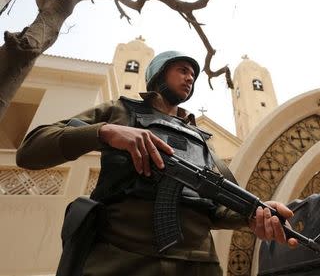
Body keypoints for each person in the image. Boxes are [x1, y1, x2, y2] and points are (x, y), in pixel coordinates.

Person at [16, 51, 298, 276]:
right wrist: (105, 132)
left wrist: (253, 215)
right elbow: (31, 150)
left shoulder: (201, 139)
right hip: (120, 258)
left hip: (199, 265)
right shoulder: (120, 111)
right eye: (182, 70)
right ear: (159, 73)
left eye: (193, 75)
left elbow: (214, 209)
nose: (190, 79)